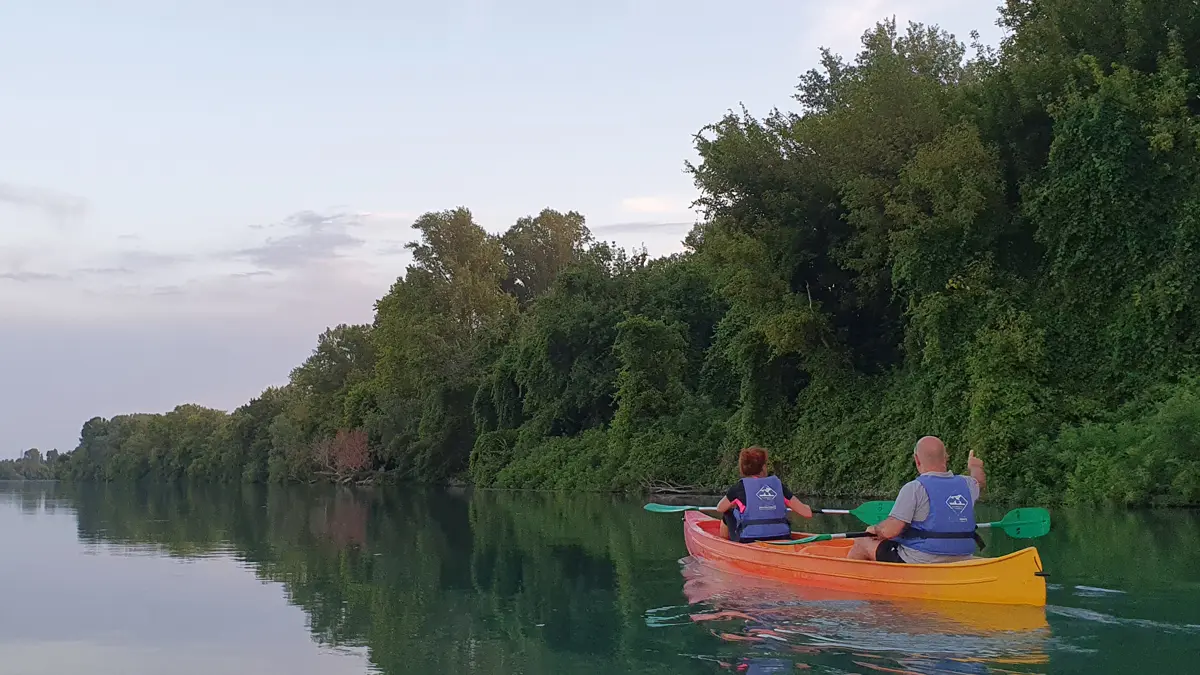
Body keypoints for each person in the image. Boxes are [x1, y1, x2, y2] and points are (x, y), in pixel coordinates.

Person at [848, 436, 987, 563]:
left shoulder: (915, 488)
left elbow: (890, 531)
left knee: (862, 541)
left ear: (917, 459)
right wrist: (976, 468)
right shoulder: (967, 484)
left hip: (922, 559)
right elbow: (979, 483)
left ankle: (857, 585)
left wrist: (875, 529)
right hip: (963, 556)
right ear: (946, 457)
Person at [715, 446, 813, 542]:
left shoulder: (739, 487)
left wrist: (736, 506)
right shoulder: (777, 485)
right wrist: (806, 507)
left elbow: (720, 508)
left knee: (727, 514)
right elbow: (807, 513)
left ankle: (725, 544)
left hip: (749, 538)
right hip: (782, 536)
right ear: (763, 467)